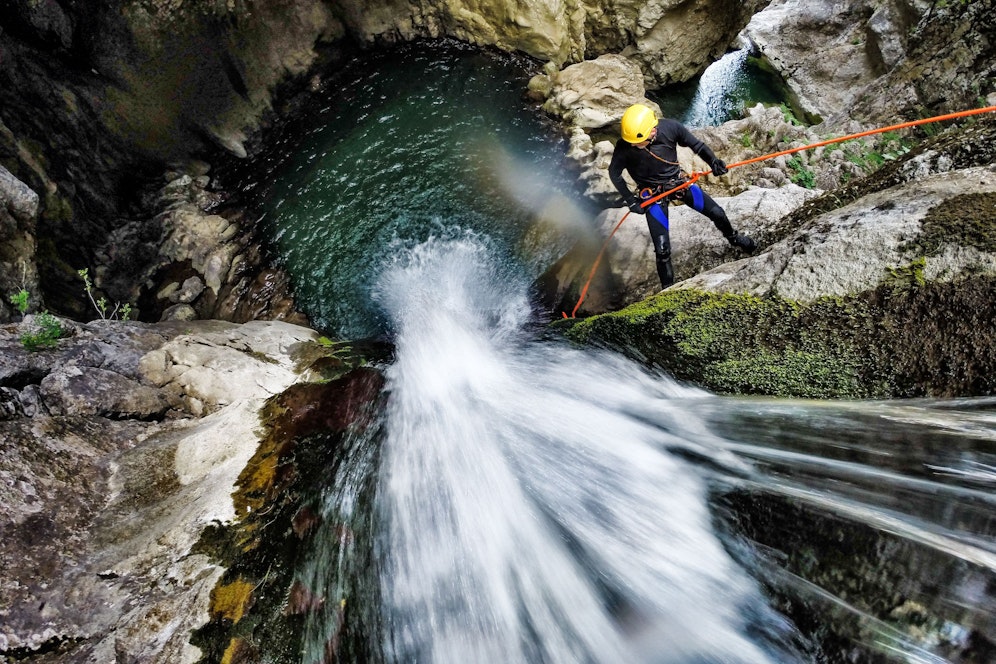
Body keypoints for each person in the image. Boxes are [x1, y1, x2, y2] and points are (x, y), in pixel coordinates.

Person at [608, 103, 756, 289]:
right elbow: (614, 173)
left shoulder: (670, 128)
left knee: (717, 212)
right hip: (652, 194)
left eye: (638, 142)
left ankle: (734, 238)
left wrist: (714, 162)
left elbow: (697, 145)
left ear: (653, 131)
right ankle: (668, 291)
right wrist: (630, 200)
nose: (633, 145)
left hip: (678, 183)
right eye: (632, 142)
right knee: (662, 251)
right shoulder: (624, 146)